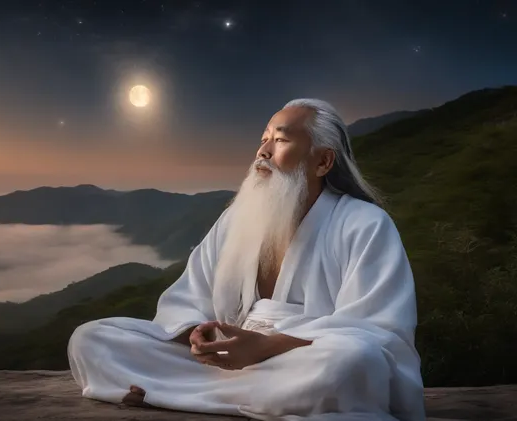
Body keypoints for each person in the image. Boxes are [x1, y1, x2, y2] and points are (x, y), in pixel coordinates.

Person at [67, 99, 425, 421]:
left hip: (300, 363)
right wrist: (199, 335)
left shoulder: (365, 224)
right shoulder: (236, 219)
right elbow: (189, 298)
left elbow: (377, 333)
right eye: (263, 138)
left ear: (323, 161)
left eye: (281, 140)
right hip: (226, 365)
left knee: (352, 362)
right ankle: (257, 403)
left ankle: (175, 396)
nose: (263, 152)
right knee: (92, 339)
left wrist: (266, 346)